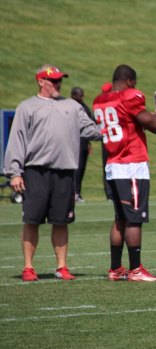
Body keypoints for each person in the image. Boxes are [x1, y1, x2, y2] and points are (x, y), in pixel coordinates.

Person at [3, 64, 101, 281]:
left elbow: (92, 130)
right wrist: (15, 172)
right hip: (35, 171)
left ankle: (61, 267)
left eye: (60, 80)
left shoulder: (72, 106)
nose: (58, 84)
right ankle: (28, 267)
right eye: (54, 80)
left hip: (65, 172)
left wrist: (116, 126)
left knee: (61, 221)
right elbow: (17, 140)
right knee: (32, 220)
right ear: (40, 81)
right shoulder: (27, 107)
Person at [92, 64, 156, 282]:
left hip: (112, 164)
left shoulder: (100, 100)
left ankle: (115, 268)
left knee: (120, 218)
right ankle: (136, 269)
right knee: (134, 219)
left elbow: (128, 121)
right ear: (130, 81)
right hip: (131, 164)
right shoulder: (130, 96)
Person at [71, 87, 95, 203]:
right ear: (73, 96)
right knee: (76, 169)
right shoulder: (69, 107)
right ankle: (74, 192)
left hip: (84, 142)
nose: (82, 98)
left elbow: (90, 124)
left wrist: (89, 143)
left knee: (82, 169)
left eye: (82, 95)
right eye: (79, 96)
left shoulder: (84, 108)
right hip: (75, 143)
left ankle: (78, 193)